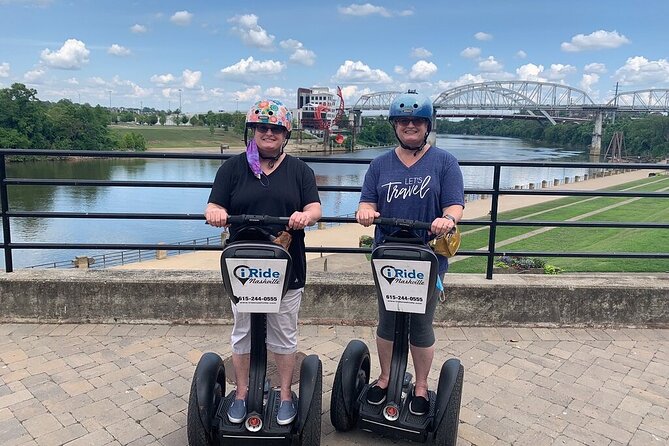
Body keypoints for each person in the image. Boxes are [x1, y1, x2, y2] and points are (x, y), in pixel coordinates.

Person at [205, 99, 322, 426]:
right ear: (253, 131)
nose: (268, 133)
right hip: (244, 268)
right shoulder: (232, 168)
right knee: (242, 332)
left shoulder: (300, 170)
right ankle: (241, 392)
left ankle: (285, 393)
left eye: (275, 129)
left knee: (284, 333)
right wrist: (215, 213)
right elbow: (213, 204)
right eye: (262, 127)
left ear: (285, 133)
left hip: (286, 267)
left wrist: (305, 216)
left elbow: (315, 208)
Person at [356, 91, 465, 416]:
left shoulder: (444, 162)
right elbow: (367, 201)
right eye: (403, 121)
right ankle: (386, 378)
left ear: (427, 125)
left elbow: (455, 204)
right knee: (388, 321)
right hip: (388, 255)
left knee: (420, 324)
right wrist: (364, 212)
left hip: (426, 256)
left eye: (417, 121)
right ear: (395, 126)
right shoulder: (379, 165)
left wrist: (447, 220)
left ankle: (419, 385)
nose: (410, 126)